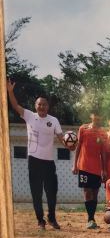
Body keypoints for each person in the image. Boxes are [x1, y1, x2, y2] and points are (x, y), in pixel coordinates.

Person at [6, 79, 73, 229]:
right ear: (35, 106)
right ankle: (40, 221)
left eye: (44, 104)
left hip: (49, 162)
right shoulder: (29, 116)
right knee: (36, 193)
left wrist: (69, 146)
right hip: (34, 161)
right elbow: (16, 106)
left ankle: (52, 218)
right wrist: (10, 92)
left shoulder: (53, 120)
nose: (42, 107)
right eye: (39, 104)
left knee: (51, 193)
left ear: (48, 107)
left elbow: (62, 137)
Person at [73, 106, 108, 229]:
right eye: (95, 114)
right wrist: (75, 164)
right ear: (91, 116)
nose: (97, 117)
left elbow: (103, 152)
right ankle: (90, 219)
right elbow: (78, 146)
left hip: (97, 168)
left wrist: (104, 169)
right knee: (87, 192)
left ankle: (92, 219)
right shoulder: (83, 128)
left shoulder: (103, 133)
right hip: (84, 166)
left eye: (99, 115)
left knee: (95, 192)